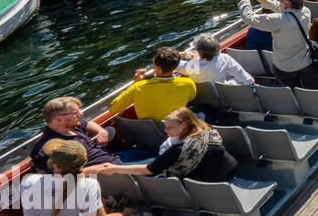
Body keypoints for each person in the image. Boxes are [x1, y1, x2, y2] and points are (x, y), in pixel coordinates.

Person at [20, 140, 153, 216]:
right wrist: (126, 213)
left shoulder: (29, 180)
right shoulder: (88, 185)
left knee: (119, 200)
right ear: (84, 162)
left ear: (52, 162)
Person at [86, 108, 236, 183]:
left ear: (184, 125)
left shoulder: (180, 148)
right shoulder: (205, 129)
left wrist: (115, 169)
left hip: (214, 180)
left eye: (169, 127)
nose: (165, 130)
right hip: (229, 165)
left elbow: (148, 169)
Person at [239, 0, 318, 89]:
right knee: (311, 91)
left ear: (288, 3)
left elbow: (248, 18)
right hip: (305, 64)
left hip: (285, 68)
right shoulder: (306, 12)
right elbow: (280, 7)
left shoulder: (279, 20)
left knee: (292, 93)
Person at [29, 96, 121, 173]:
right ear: (58, 119)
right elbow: (60, 178)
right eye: (75, 112)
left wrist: (102, 132)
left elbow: (88, 124)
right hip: (111, 174)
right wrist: (95, 170)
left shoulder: (71, 125)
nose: (81, 114)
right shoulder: (47, 150)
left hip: (114, 159)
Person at [108, 46, 196, 120]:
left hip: (152, 132)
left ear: (158, 68)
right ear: (176, 66)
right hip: (177, 126)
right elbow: (191, 98)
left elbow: (113, 109)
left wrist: (136, 82)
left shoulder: (138, 87)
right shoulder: (188, 83)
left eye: (154, 62)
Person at [178, 34, 254, 86]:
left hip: (205, 97)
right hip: (224, 93)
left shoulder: (190, 66)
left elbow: (169, 58)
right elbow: (249, 80)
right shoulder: (224, 58)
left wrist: (184, 53)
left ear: (198, 51)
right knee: (237, 78)